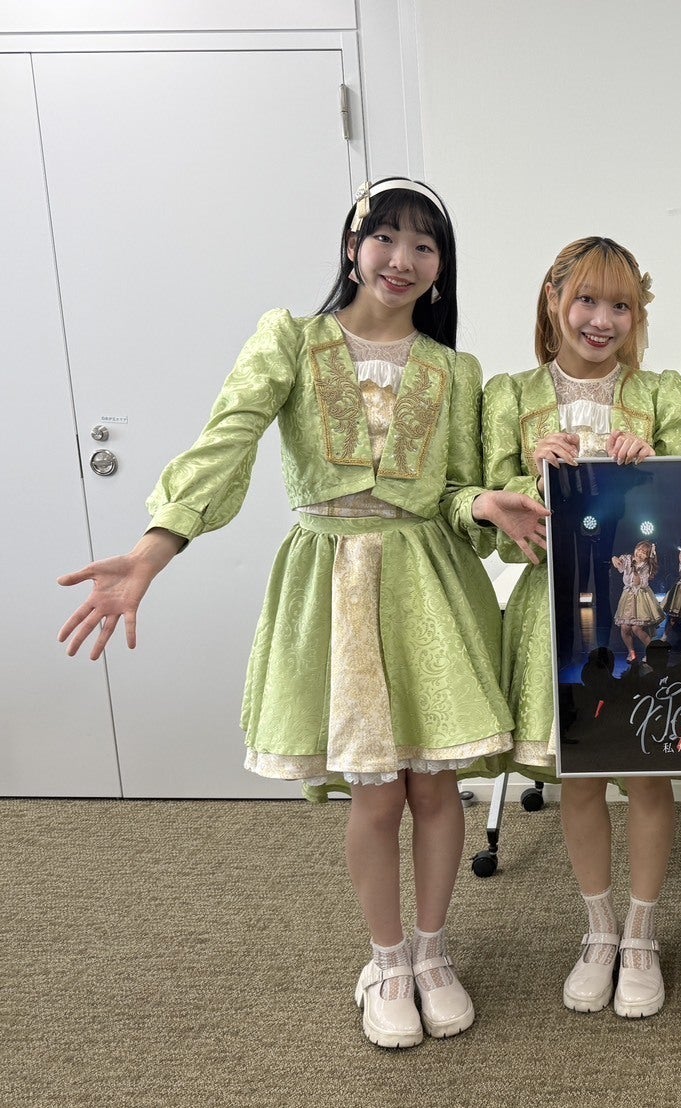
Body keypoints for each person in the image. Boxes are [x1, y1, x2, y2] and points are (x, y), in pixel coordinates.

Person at [56, 178, 550, 1049]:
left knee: (436, 786)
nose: (402, 259)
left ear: (441, 267)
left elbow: (452, 490)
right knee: (375, 792)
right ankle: (386, 960)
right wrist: (153, 548)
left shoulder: (455, 370)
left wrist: (481, 503)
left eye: (424, 245)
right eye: (386, 237)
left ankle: (433, 953)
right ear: (353, 245)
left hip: (432, 589)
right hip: (333, 586)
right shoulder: (291, 339)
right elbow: (227, 440)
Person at [483, 236, 681, 1018]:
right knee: (578, 777)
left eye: (620, 306)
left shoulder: (660, 392)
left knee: (646, 770)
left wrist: (654, 462)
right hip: (555, 609)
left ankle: (642, 934)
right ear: (553, 301)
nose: (601, 320)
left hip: (642, 611)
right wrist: (524, 475)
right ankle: (598, 931)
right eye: (585, 301)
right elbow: (486, 520)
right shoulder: (508, 396)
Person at [613, 540, 662, 662]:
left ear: (647, 556)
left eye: (644, 552)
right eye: (639, 550)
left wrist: (635, 569)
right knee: (624, 627)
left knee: (636, 628)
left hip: (641, 597)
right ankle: (631, 653)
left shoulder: (646, 566)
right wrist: (615, 559)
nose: (640, 553)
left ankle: (651, 652)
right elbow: (618, 563)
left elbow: (639, 583)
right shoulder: (628, 559)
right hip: (627, 596)